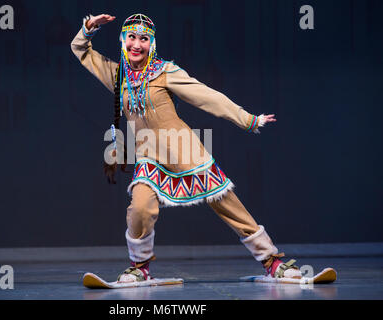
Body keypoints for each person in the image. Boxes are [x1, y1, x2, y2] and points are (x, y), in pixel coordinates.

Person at [71, 13, 302, 282]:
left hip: (185, 151)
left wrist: (248, 119)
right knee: (140, 207)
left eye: (144, 39)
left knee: (228, 204)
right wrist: (88, 28)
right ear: (123, 40)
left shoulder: (165, 71)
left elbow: (206, 96)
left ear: (152, 44)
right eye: (131, 37)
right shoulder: (117, 74)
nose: (137, 44)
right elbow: (81, 50)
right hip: (149, 158)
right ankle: (139, 268)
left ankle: (272, 262)